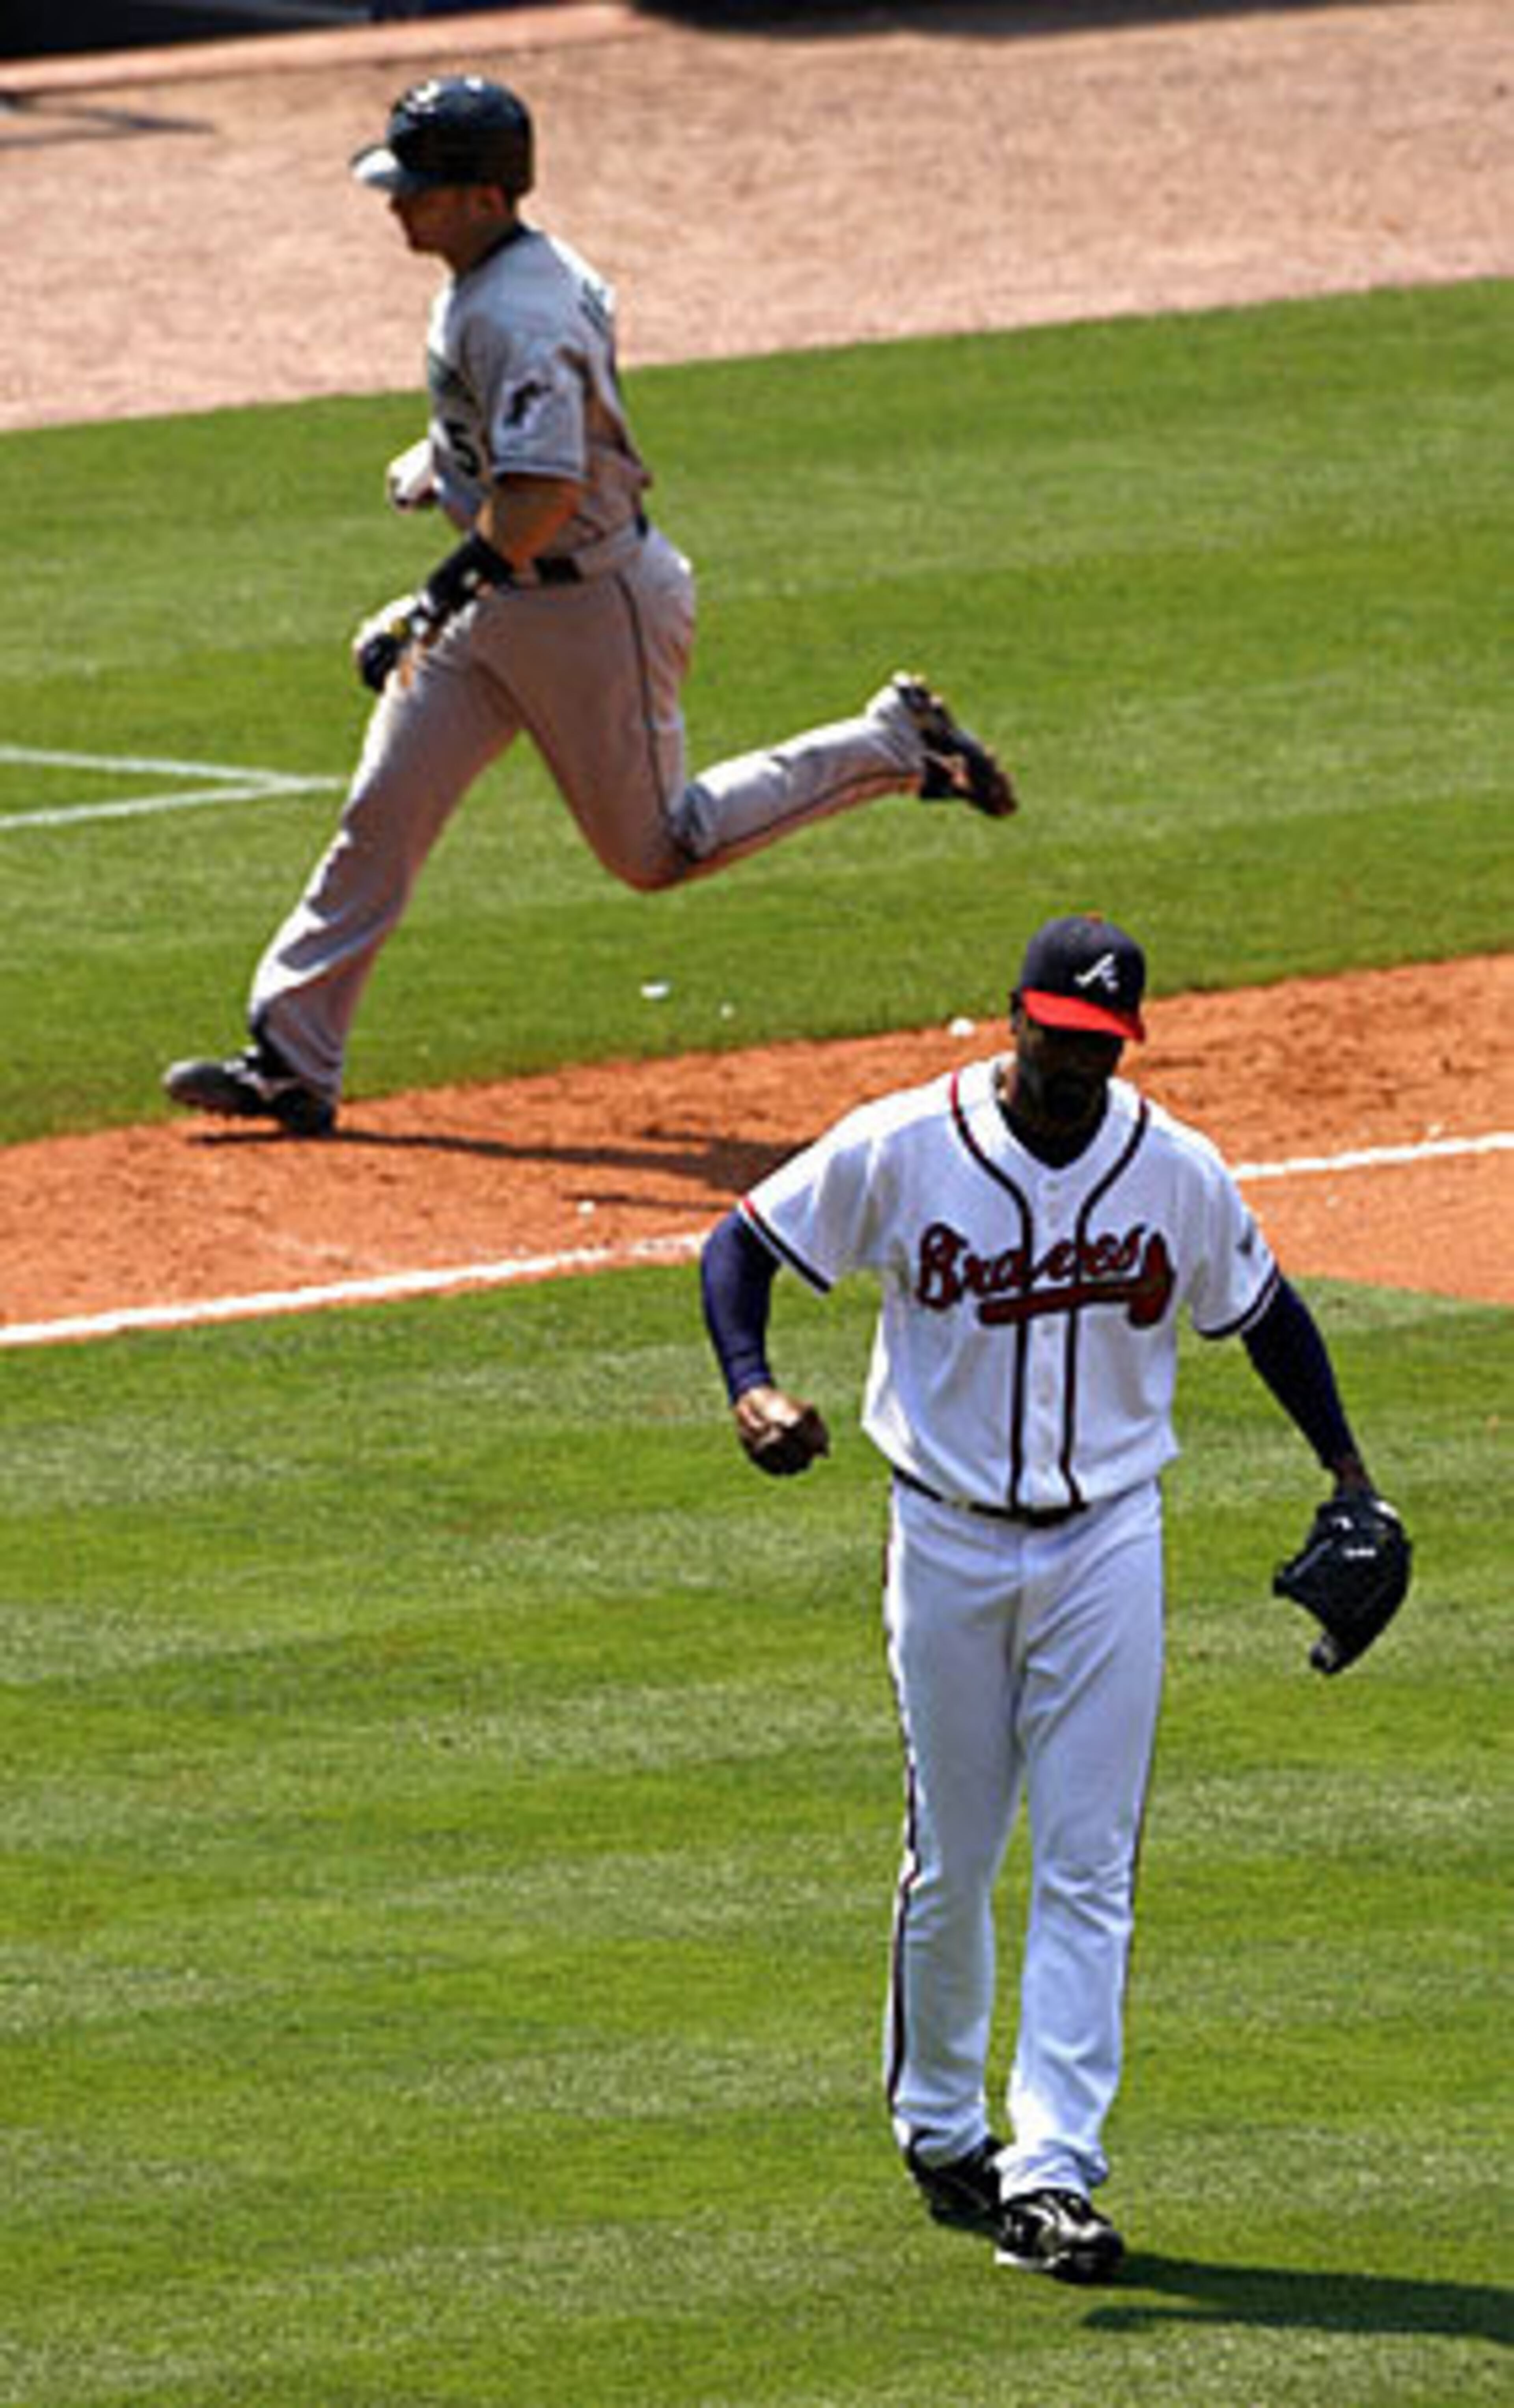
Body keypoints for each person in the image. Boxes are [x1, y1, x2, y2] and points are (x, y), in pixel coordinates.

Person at [699, 910, 1404, 2282]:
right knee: (953, 1858)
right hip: (945, 1539)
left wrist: (1350, 1472)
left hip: (1108, 1549)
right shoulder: (905, 1145)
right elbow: (740, 1248)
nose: (1077, 1064)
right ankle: (940, 2125)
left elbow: (1267, 1315)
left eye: (1102, 1045)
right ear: (1013, 1017)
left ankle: (1052, 2172)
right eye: (1058, 1037)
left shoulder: (1174, 1168)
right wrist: (752, 1386)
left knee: (1089, 1863)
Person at [162, 75, 1014, 1138]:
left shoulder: (519, 308)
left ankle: (892, 747)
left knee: (656, 850)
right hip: (508, 594)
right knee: (383, 810)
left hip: (587, 606)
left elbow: (547, 491)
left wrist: (425, 607)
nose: (398, 204)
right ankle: (292, 1058)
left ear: (481, 194)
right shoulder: (499, 276)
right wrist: (448, 460)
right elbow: (538, 438)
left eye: (419, 186)